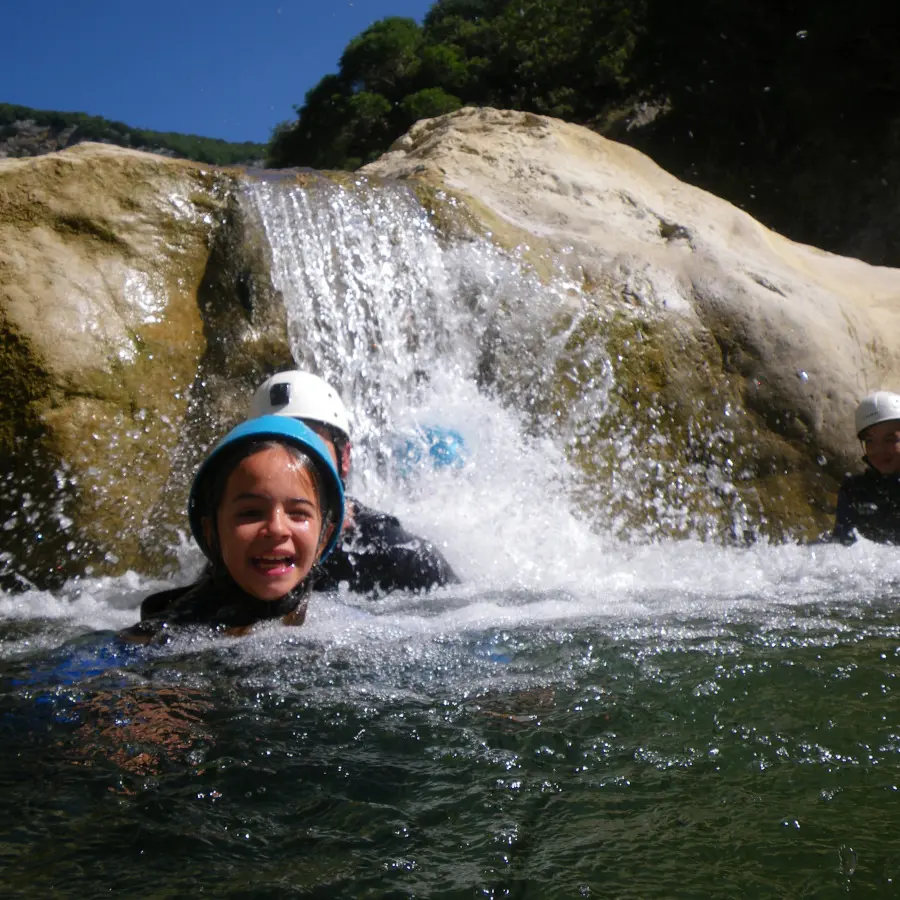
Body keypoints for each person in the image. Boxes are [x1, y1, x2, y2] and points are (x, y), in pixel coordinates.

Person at [125, 415, 344, 641]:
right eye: (251, 513)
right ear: (212, 533)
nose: (277, 528)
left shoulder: (342, 625)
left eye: (298, 514)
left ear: (324, 539)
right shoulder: (157, 640)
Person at [248, 370, 459, 596]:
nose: (290, 462)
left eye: (308, 446)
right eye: (273, 447)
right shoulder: (238, 554)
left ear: (345, 458)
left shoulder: (402, 556)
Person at [832, 390, 900, 544]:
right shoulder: (855, 490)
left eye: (889, 439)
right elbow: (840, 547)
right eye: (870, 441)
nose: (878, 449)